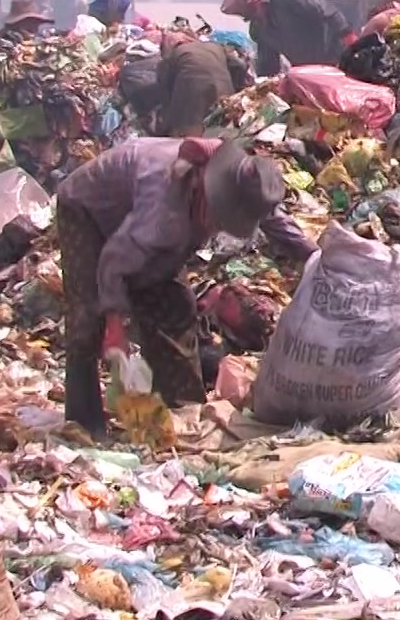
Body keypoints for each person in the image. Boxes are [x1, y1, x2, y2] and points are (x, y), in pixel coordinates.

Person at [54, 138, 316, 435]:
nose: (218, 226)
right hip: (87, 211)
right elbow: (114, 262)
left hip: (141, 226)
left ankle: (185, 411)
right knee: (88, 318)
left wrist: (317, 256)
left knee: (176, 307)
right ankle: (84, 426)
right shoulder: (163, 207)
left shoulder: (242, 181)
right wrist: (115, 324)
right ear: (206, 194)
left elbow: (273, 219)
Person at [221, 0, 350, 73]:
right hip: (306, 71)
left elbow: (327, 11)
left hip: (335, 59)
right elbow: (268, 65)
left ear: (248, 2)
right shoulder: (258, 29)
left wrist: (348, 38)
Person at [147, 34, 239, 137]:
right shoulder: (215, 46)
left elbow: (166, 91)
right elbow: (239, 65)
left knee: (191, 130)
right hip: (224, 89)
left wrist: (167, 122)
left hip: (193, 93)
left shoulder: (171, 57)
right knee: (222, 123)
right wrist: (238, 90)